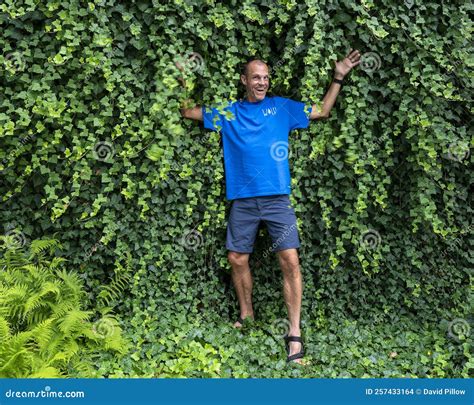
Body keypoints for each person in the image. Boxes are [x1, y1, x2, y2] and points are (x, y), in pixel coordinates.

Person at [179, 49, 361, 363]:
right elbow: (187, 112)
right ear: (244, 81)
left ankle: (294, 335)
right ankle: (247, 315)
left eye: (265, 77)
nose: (262, 82)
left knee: (290, 259)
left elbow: (323, 111)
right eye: (256, 78)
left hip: (277, 198)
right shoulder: (229, 112)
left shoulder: (281, 108)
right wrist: (183, 75)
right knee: (236, 257)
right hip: (243, 200)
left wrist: (339, 76)